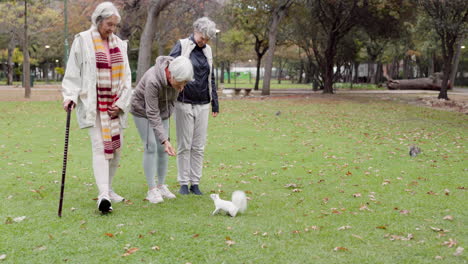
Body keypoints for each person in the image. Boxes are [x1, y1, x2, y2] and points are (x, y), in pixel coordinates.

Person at [61, 2, 132, 214]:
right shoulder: (82, 41)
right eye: (109, 24)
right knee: (100, 147)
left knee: (116, 150)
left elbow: (127, 77)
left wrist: (120, 104)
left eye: (114, 25)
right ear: (98, 20)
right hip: (95, 103)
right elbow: (73, 72)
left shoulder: (119, 43)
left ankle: (109, 188)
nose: (112, 28)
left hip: (114, 105)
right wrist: (70, 96)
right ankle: (103, 196)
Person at [130, 56, 194, 203]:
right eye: (181, 83)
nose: (182, 88)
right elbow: (151, 112)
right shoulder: (153, 80)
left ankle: (161, 185)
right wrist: (164, 139)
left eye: (185, 84)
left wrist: (165, 141)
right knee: (151, 146)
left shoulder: (177, 79)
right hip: (142, 110)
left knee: (163, 149)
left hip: (162, 111)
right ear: (171, 75)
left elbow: (172, 101)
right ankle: (152, 190)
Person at [168, 17, 219, 195]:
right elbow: (171, 68)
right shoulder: (182, 45)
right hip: (184, 102)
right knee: (184, 144)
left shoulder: (208, 51)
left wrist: (215, 103)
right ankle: (183, 182)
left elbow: (211, 76)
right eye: (201, 37)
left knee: (198, 145)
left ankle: (195, 182)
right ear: (196, 30)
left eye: (206, 39)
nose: (203, 41)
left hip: (203, 102)